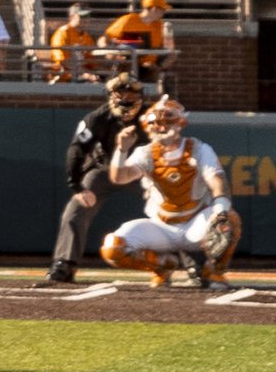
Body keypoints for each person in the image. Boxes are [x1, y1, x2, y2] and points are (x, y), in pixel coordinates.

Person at [100, 97, 239, 289]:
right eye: (156, 123)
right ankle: (161, 266)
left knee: (229, 220)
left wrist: (221, 209)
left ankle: (214, 272)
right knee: (112, 247)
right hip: (161, 226)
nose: (161, 127)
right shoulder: (145, 153)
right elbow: (119, 177)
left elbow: (217, 180)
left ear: (181, 123)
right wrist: (121, 150)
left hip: (195, 223)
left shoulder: (199, 149)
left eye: (167, 121)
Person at [44, 74, 146, 287]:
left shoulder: (151, 118)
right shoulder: (97, 119)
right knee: (76, 209)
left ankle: (191, 263)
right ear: (110, 96)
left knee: (170, 205)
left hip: (140, 171)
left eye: (130, 95)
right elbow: (77, 149)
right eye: (120, 94)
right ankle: (65, 263)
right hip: (104, 170)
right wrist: (77, 186)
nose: (125, 100)